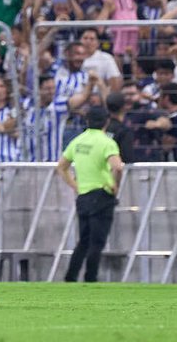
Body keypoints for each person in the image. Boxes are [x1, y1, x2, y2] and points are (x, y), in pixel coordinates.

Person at [57, 106, 124, 282]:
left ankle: (70, 277)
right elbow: (117, 166)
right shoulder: (106, 142)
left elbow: (61, 166)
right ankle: (90, 278)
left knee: (84, 240)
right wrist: (115, 185)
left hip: (83, 195)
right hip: (102, 193)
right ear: (106, 121)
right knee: (97, 242)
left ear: (87, 121)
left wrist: (75, 185)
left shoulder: (78, 141)